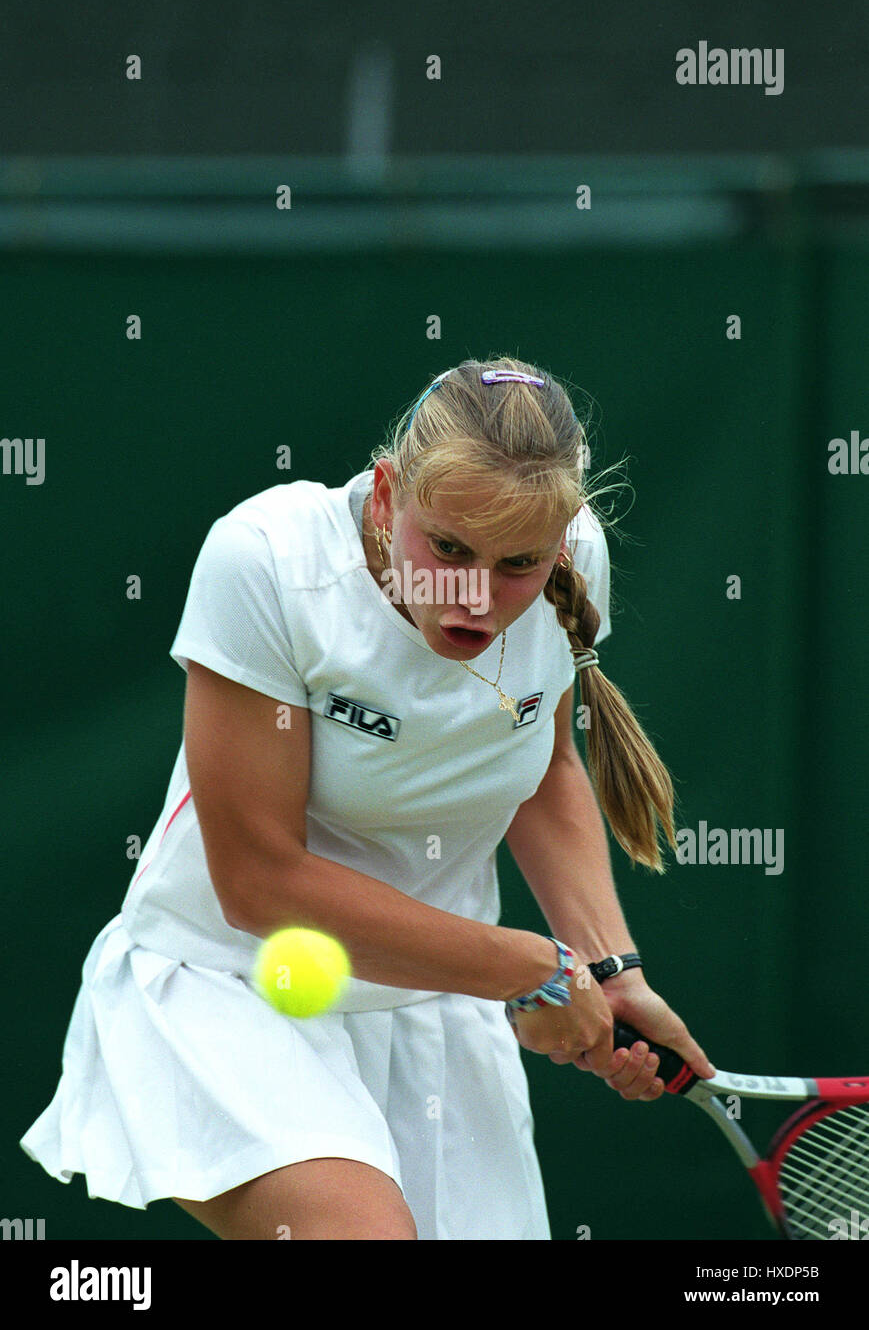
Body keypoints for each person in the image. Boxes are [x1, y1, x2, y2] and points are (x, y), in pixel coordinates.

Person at [20, 355, 713, 1240]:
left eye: (517, 565)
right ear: (386, 495)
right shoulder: (267, 559)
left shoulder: (575, 560)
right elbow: (260, 883)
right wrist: (529, 970)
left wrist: (610, 971)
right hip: (230, 981)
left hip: (431, 1008)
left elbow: (541, 772)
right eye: (449, 550)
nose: (474, 597)